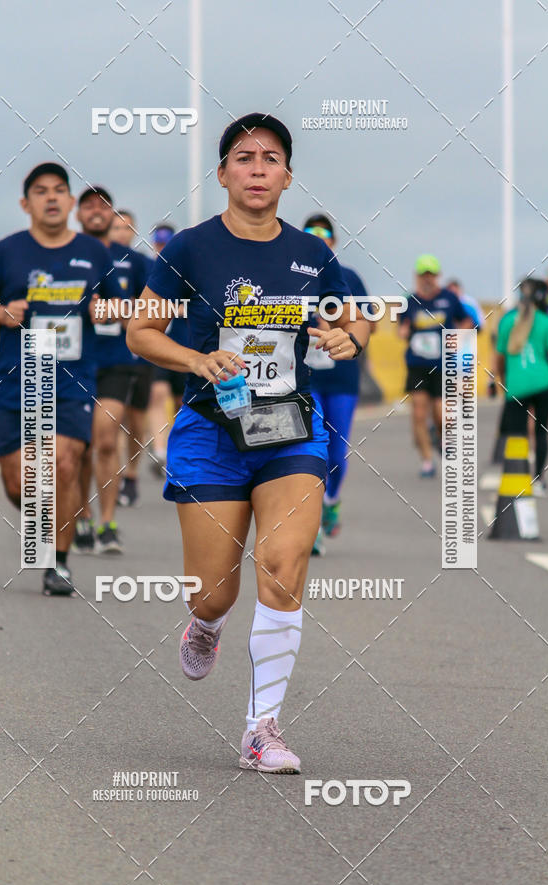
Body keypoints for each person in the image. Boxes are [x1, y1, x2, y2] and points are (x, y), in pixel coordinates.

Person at [128, 113, 370, 773]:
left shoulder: (316, 257)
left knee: (283, 562)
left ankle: (261, 728)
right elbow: (142, 332)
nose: (257, 168)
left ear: (287, 176)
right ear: (224, 174)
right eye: (243, 157)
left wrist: (349, 338)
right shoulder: (190, 251)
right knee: (213, 592)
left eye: (270, 158)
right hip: (211, 430)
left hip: (288, 430)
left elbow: (352, 324)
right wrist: (194, 360)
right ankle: (205, 626)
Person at [0, 163, 119, 595]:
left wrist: (103, 310)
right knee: (22, 486)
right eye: (40, 191)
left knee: (64, 464)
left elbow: (120, 306)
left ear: (70, 202)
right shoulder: (7, 252)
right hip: (16, 380)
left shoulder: (95, 253)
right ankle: (46, 526)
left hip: (72, 379)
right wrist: (2, 313)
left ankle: (60, 564)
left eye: (58, 191)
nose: (51, 198)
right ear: (25, 203)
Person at [74, 187, 149, 553]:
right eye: (88, 205)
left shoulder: (130, 261)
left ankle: (108, 525)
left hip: (117, 361)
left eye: (104, 206)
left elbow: (148, 308)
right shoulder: (66, 255)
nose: (97, 212)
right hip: (73, 362)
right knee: (80, 447)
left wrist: (118, 310)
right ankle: (82, 517)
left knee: (105, 440)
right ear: (78, 214)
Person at [302, 213, 373, 553]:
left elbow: (365, 322)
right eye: (310, 235)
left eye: (323, 235)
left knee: (336, 450)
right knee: (312, 445)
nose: (318, 240)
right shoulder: (293, 274)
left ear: (333, 241)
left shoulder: (349, 278)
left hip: (342, 374)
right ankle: (312, 525)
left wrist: (345, 335)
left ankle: (331, 499)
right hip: (306, 373)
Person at [398, 254, 471, 477]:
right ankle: (427, 462)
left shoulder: (449, 298)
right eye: (423, 275)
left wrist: (460, 335)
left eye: (431, 274)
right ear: (417, 277)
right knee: (419, 414)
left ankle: (441, 437)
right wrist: (403, 332)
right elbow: (402, 329)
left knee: (443, 413)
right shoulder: (409, 301)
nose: (427, 279)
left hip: (443, 365)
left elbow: (467, 320)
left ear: (437, 276)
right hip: (418, 364)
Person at [492, 277, 548, 497]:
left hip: (516, 386)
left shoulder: (507, 321)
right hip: (544, 383)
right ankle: (539, 480)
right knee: (541, 432)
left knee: (516, 434)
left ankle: (517, 477)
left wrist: (499, 381)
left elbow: (499, 358)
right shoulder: (545, 321)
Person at [143, 223, 185, 480]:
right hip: (156, 344)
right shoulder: (148, 270)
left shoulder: (186, 270)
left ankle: (180, 448)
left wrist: (177, 311)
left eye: (165, 245)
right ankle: (160, 451)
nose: (161, 250)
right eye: (158, 245)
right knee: (157, 394)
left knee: (182, 402)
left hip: (183, 344)